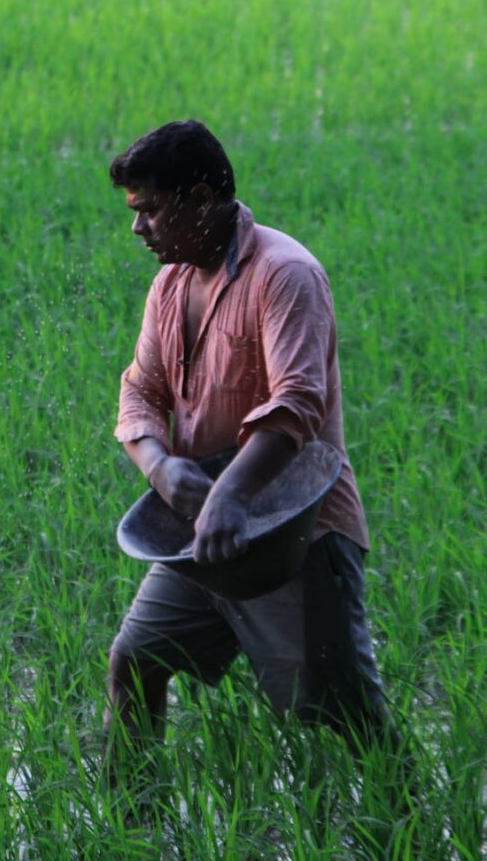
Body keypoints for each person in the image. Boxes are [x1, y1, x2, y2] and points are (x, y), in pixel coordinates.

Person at [104, 119, 401, 791]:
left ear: (202, 197)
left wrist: (233, 495)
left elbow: (299, 402)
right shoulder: (172, 285)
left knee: (344, 712)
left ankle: (406, 824)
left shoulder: (284, 274)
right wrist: (159, 465)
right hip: (204, 531)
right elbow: (140, 391)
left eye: (150, 209)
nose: (138, 228)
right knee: (136, 659)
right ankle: (132, 824)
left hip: (298, 532)